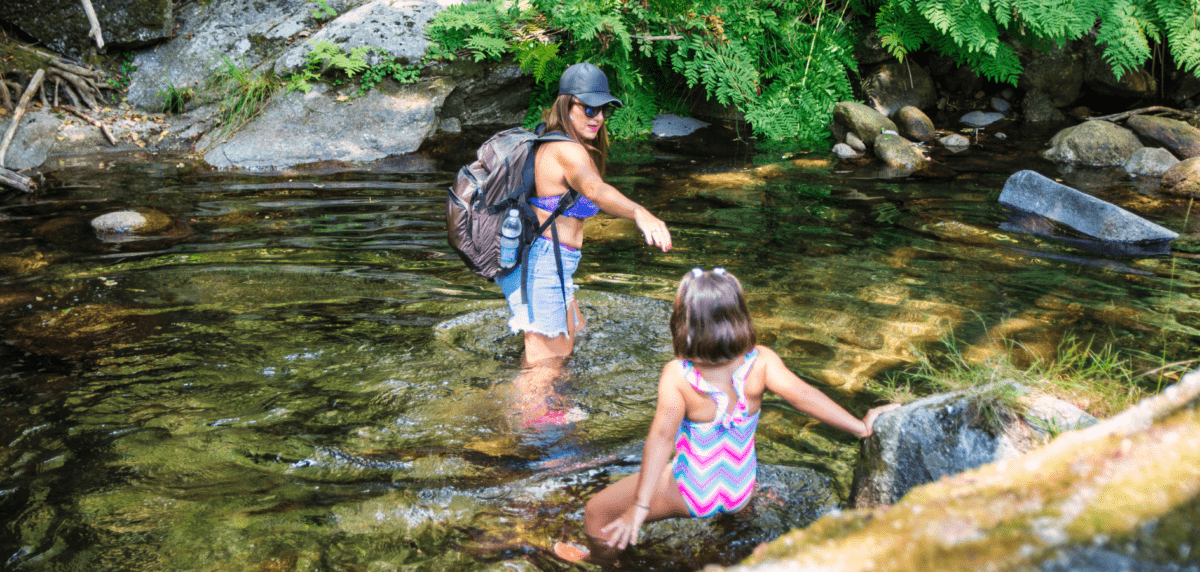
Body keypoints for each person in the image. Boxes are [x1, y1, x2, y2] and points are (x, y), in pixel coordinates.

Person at [555, 267, 899, 560]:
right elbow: (804, 397)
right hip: (740, 486)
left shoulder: (678, 375)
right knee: (724, 487)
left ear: (683, 323)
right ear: (738, 318)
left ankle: (604, 562)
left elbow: (661, 440)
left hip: (693, 491)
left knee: (597, 511)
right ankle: (735, 542)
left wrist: (639, 508)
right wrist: (861, 427)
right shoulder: (761, 361)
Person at [498, 63, 672, 425]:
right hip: (542, 265)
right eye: (589, 109)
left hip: (551, 265)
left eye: (603, 109)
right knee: (547, 365)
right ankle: (526, 438)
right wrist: (640, 213)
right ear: (567, 105)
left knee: (573, 339)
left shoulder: (556, 144)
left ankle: (536, 413)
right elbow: (595, 190)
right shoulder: (567, 151)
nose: (598, 117)